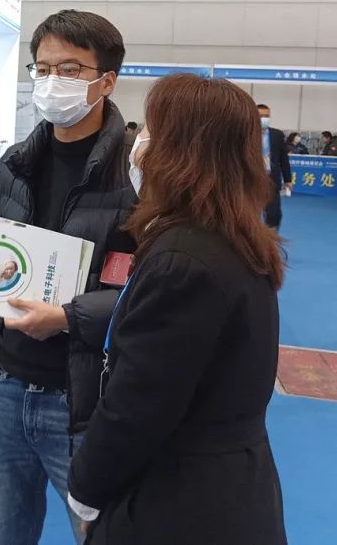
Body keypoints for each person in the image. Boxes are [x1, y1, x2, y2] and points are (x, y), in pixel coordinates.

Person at [67, 74, 286, 545]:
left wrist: (85, 492)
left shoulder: (183, 259)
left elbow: (137, 406)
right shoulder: (233, 238)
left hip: (177, 498)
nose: (139, 144)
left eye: (150, 129)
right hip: (229, 485)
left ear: (182, 150)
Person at [0, 10, 136, 545]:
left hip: (84, 399)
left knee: (99, 531)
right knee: (7, 528)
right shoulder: (13, 165)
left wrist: (67, 317)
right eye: (42, 68)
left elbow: (152, 292)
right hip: (6, 387)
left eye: (70, 69)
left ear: (107, 81)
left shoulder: (136, 177)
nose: (52, 80)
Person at [256, 104, 291, 231]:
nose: (264, 119)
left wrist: (288, 179)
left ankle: (271, 235)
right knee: (250, 212)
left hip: (272, 178)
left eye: (266, 116)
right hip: (252, 178)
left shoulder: (277, 135)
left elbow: (284, 159)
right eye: (260, 116)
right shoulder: (245, 134)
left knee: (274, 214)